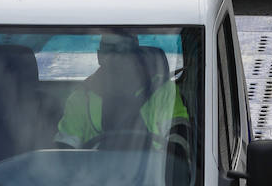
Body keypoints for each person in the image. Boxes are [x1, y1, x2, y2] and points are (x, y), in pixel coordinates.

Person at [56, 30, 188, 148]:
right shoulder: (81, 97)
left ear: (136, 55)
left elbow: (179, 135)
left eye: (123, 50)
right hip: (93, 173)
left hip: (153, 173)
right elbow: (65, 147)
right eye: (109, 50)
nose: (115, 57)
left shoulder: (163, 91)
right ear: (99, 55)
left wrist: (175, 154)